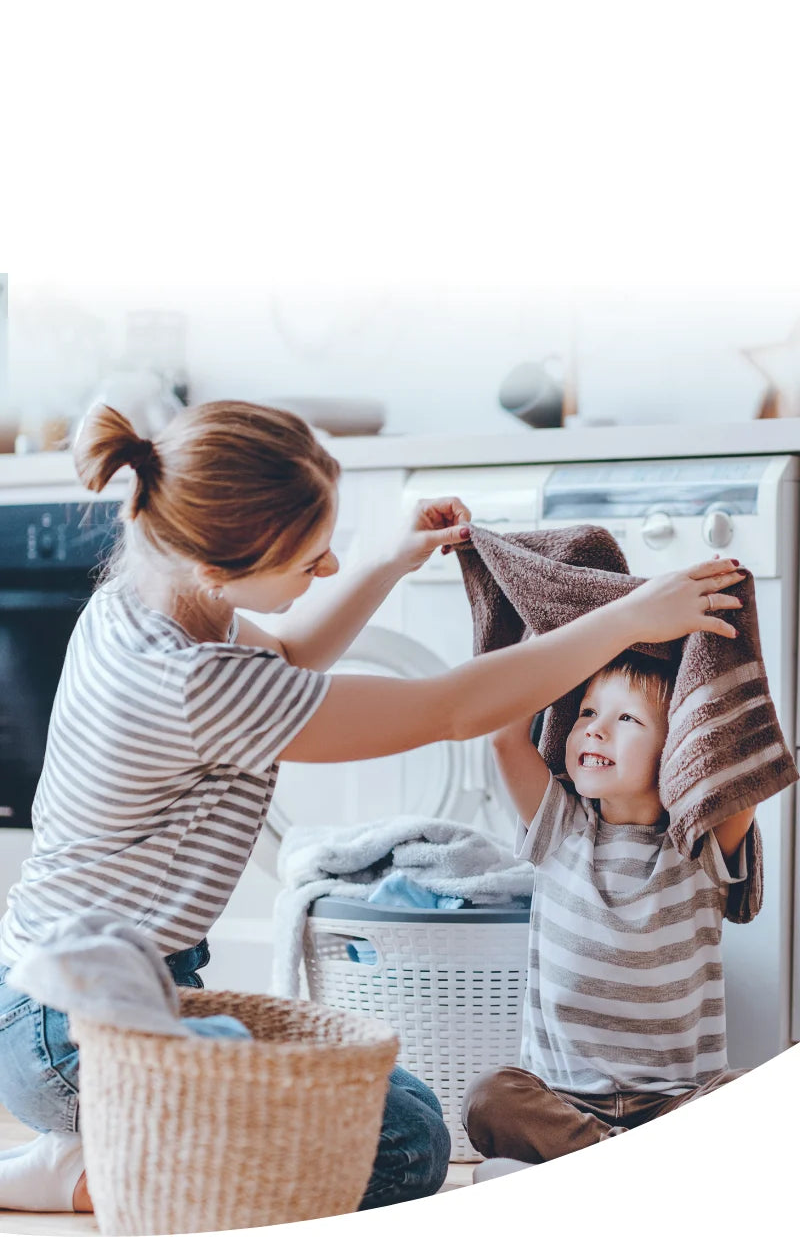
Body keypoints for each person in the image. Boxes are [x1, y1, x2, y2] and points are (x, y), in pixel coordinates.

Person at [0, 401, 744, 1214]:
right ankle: (97, 1170)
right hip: (67, 1030)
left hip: (87, 993)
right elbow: (449, 711)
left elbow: (289, 654)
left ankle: (119, 1136)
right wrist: (627, 620)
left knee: (412, 1106)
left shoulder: (144, 605)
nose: (324, 572)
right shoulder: (191, 685)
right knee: (403, 1152)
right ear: (217, 567)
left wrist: (391, 561)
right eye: (309, 559)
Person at [463, 651, 755, 1181]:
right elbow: (506, 737)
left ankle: (580, 1173)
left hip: (674, 1105)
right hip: (563, 1104)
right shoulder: (559, 827)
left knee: (763, 1098)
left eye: (626, 719)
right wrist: (557, 636)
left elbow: (742, 763)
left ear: (679, 749)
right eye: (586, 713)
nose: (595, 730)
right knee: (490, 1097)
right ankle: (628, 1169)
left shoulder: (698, 847)